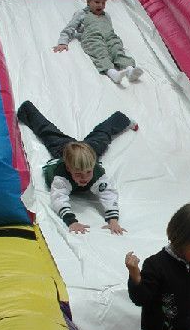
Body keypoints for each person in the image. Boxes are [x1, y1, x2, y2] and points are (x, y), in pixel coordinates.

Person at [17, 100, 137, 234]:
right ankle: (27, 110)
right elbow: (58, 199)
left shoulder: (95, 172)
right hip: (64, 150)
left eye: (88, 172)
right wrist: (72, 221)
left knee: (101, 137)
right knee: (49, 132)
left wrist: (113, 220)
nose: (84, 178)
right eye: (79, 174)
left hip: (86, 152)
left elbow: (108, 194)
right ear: (69, 168)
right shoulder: (61, 177)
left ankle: (121, 119)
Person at [52, 0, 143, 85]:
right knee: (100, 51)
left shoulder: (106, 16)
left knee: (116, 48)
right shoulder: (81, 14)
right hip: (92, 37)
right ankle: (112, 73)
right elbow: (69, 29)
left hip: (109, 36)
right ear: (88, 1)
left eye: (103, 3)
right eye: (97, 2)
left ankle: (129, 69)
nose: (100, 5)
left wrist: (112, 39)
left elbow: (109, 29)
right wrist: (62, 42)